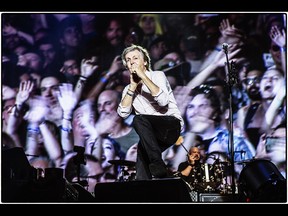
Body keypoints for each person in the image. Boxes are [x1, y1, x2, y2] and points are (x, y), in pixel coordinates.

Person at [117, 44, 184, 180]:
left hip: (170, 126)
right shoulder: (128, 90)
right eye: (128, 60)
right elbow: (123, 113)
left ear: (145, 62)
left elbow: (163, 102)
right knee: (141, 160)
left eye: (135, 58)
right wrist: (132, 86)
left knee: (138, 119)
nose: (132, 62)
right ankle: (147, 192)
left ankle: (158, 163)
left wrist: (143, 76)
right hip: (152, 135)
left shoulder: (157, 75)